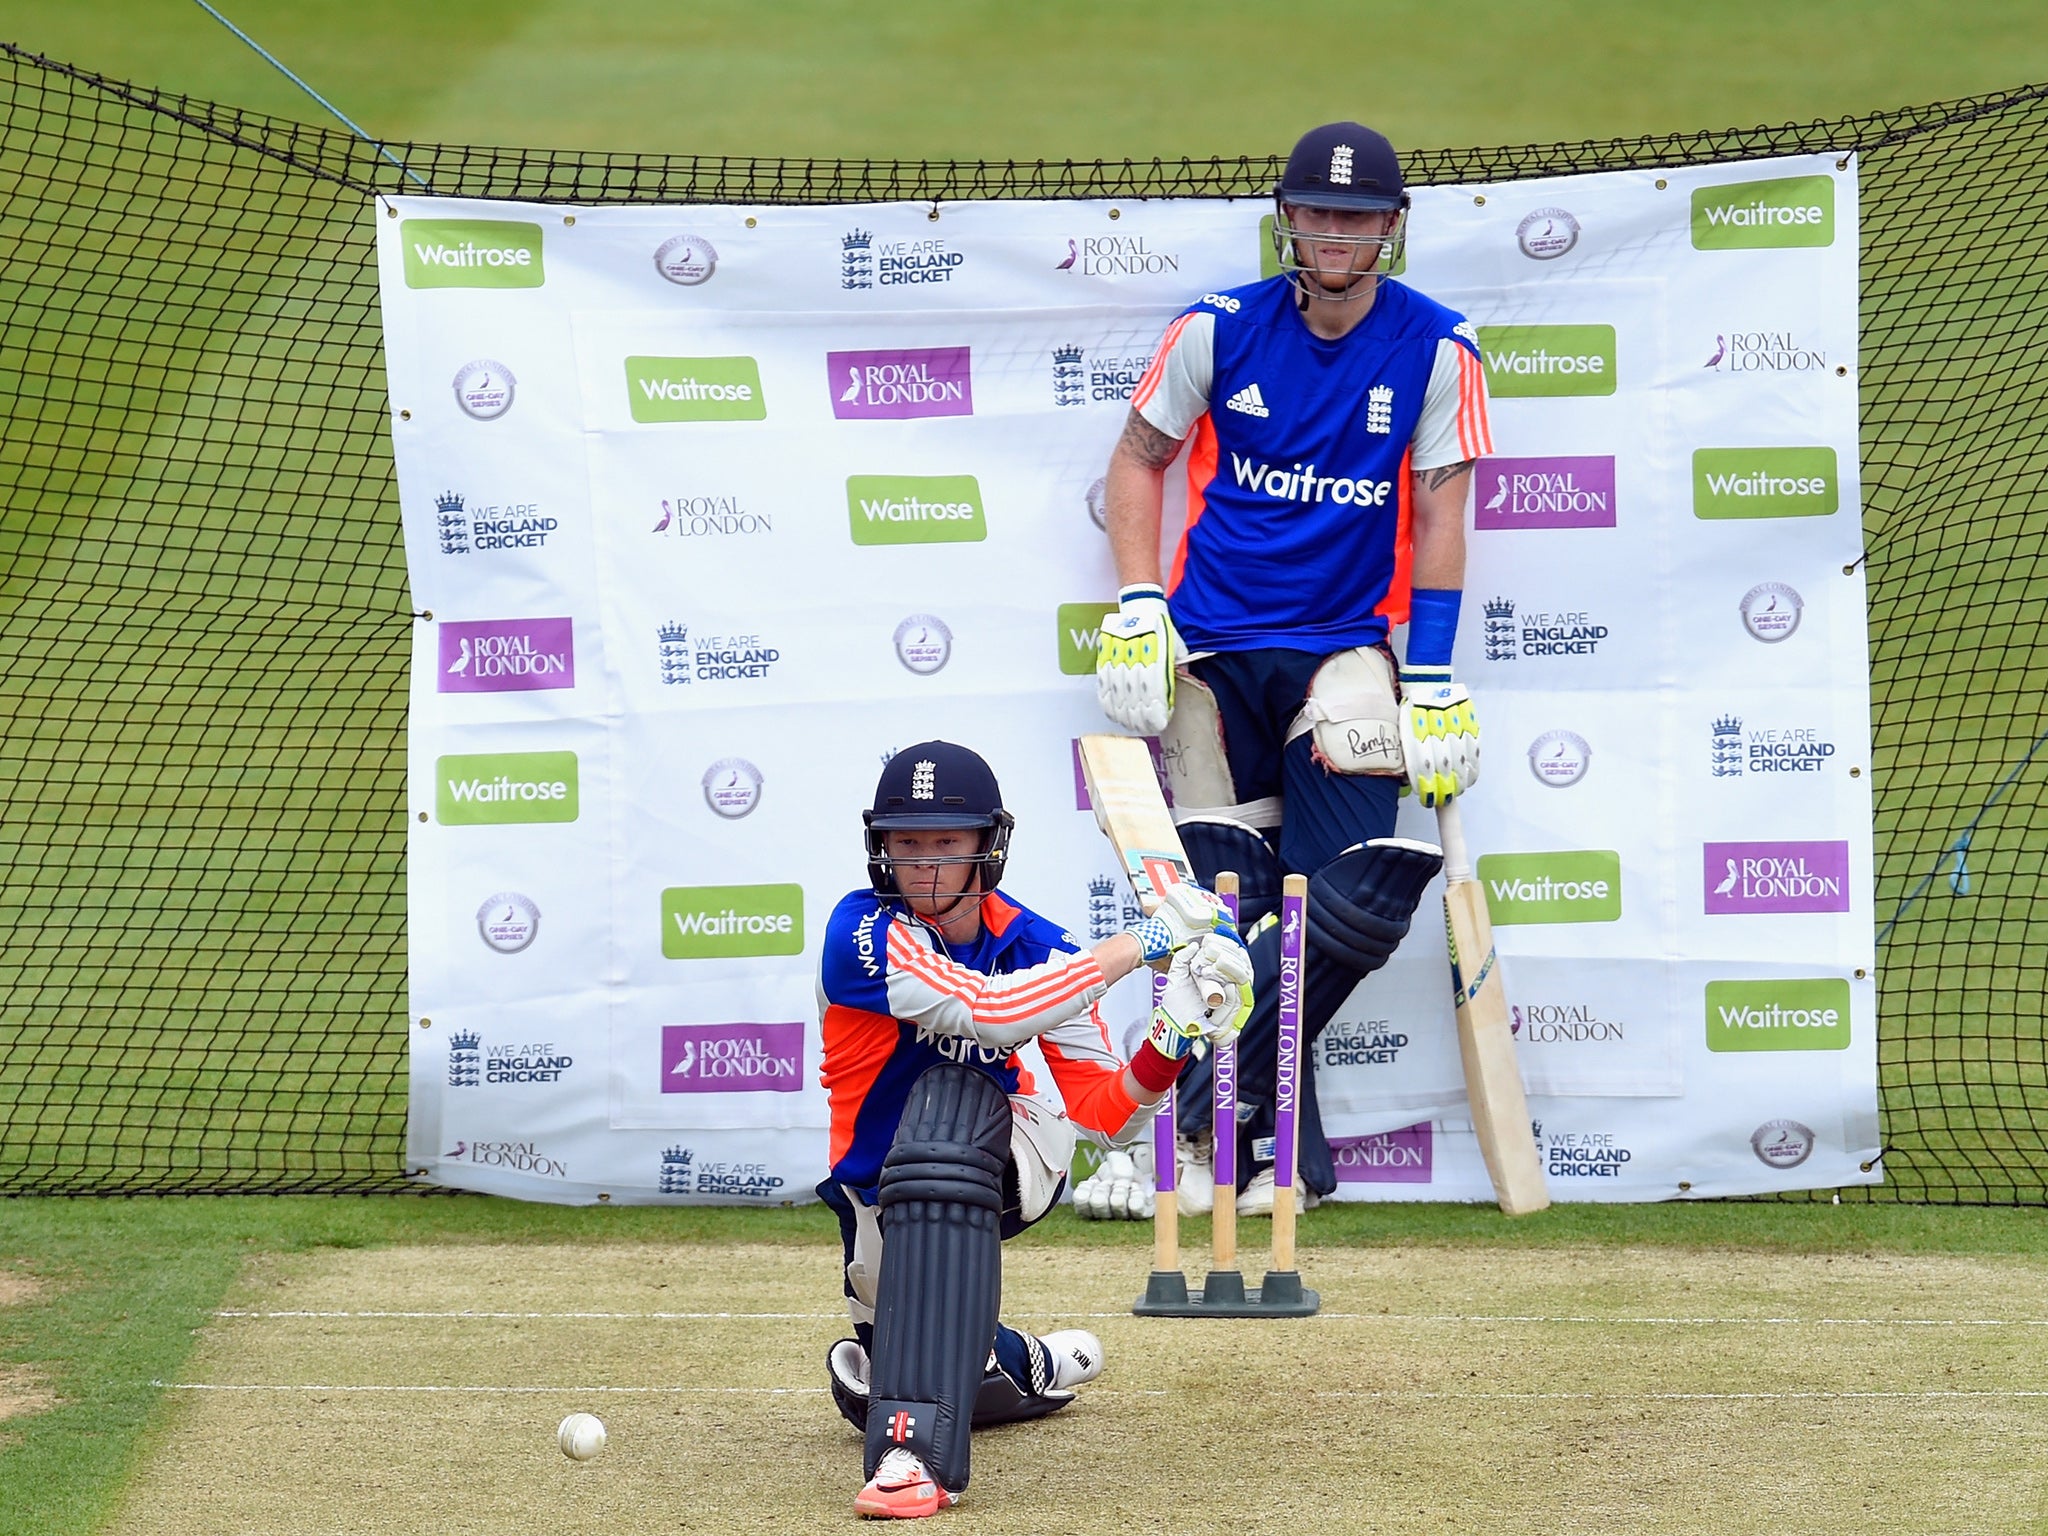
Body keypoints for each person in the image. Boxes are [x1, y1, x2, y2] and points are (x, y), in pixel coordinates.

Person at [1092, 120, 1485, 1216]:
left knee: (1345, 897)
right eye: (1315, 212)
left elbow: (1442, 513)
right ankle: (1280, 1163)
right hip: (1210, 655)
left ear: (1390, 229)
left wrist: (1438, 675)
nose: (1333, 233)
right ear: (1285, 220)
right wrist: (1137, 604)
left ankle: (1163, 1116)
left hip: (1343, 652)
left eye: (1355, 217)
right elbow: (1135, 462)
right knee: (1233, 912)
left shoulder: (1438, 347)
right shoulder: (1215, 327)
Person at [815, 740, 1251, 1519]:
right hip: (876, 1187)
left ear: (989, 844)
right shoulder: (862, 932)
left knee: (947, 1109)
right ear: (878, 847)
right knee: (912, 1365)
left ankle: (913, 1460)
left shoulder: (1035, 945)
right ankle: (1020, 1362)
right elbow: (994, 1011)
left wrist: (1173, 1037)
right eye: (906, 844)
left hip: (1008, 1152)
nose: (925, 866)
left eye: (947, 843)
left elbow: (1104, 1114)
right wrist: (1136, 946)